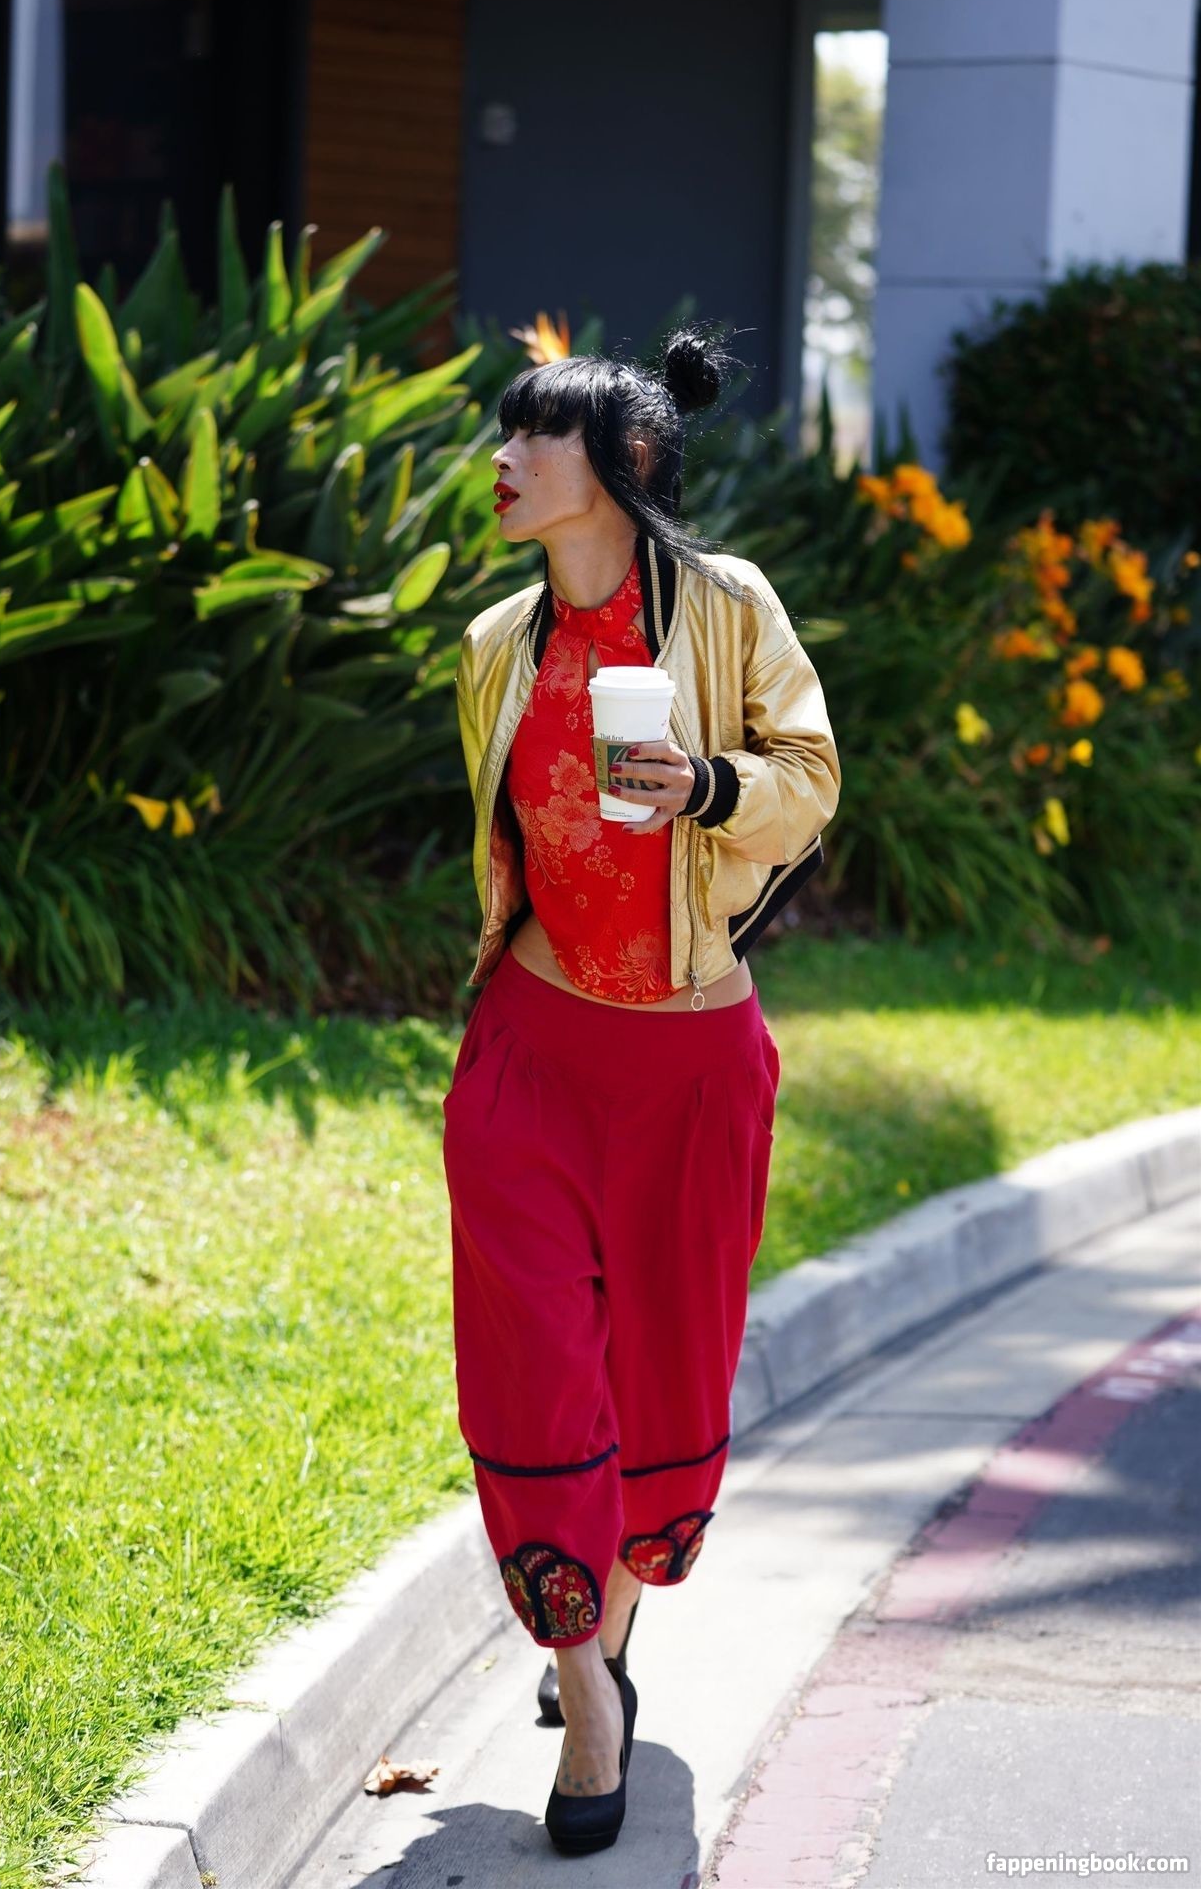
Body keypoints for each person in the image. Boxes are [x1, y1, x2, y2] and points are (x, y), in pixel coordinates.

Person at [443, 325, 841, 1854]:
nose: (502, 460)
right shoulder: (496, 643)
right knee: (536, 1369)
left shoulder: (726, 607)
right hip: (530, 1059)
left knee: (665, 1377)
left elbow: (810, 773)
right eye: (503, 434)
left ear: (619, 464)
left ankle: (608, 1628)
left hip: (689, 1068)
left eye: (530, 437)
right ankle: (583, 1688)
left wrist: (712, 788)